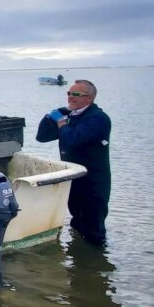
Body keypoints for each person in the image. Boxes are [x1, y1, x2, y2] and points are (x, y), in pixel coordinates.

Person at [36, 79, 111, 245]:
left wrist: (61, 122)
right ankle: (78, 257)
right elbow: (41, 137)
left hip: (93, 181)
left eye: (76, 94)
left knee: (93, 226)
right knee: (77, 221)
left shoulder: (98, 119)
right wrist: (52, 115)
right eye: (69, 93)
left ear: (89, 98)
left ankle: (96, 262)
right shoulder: (72, 116)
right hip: (74, 178)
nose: (71, 97)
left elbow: (71, 139)